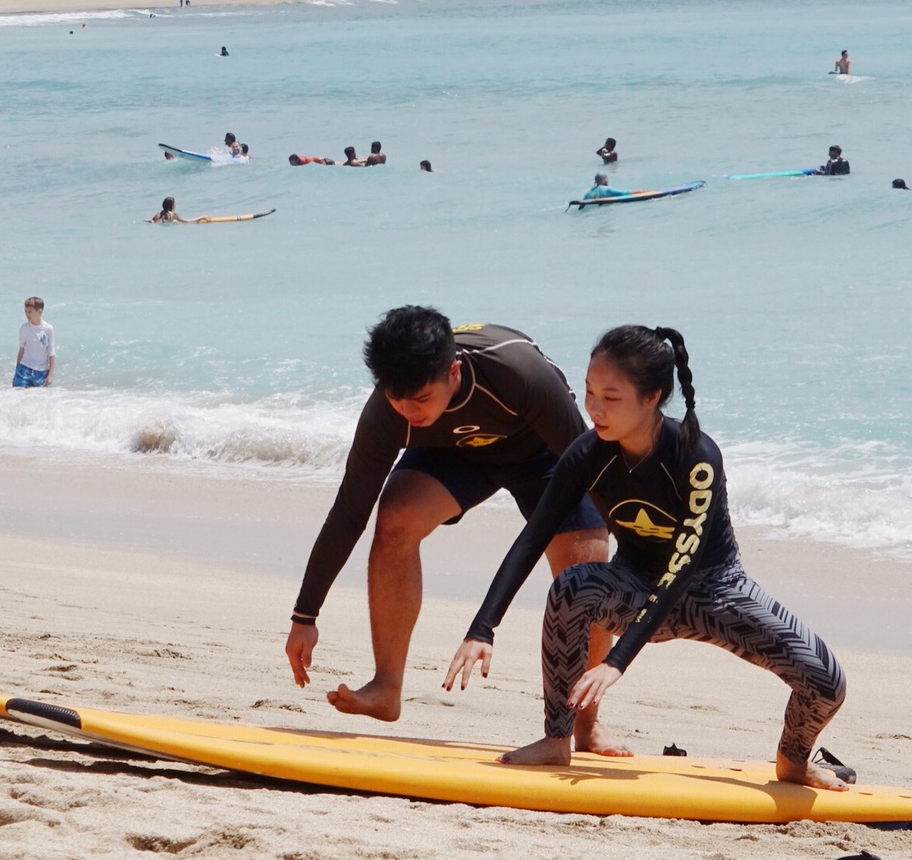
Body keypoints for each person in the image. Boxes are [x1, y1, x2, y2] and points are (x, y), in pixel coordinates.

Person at [444, 326, 848, 786]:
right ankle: (557, 740)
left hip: (716, 593)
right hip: (634, 588)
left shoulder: (697, 456)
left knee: (826, 682)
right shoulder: (588, 453)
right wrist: (483, 626)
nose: (593, 408)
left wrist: (617, 660)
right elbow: (534, 536)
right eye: (590, 392)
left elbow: (683, 567)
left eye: (610, 398)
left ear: (652, 396)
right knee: (573, 586)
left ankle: (793, 760)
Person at [286, 308, 619, 749]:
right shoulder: (394, 410)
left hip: (538, 448)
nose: (408, 411)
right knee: (395, 519)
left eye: (421, 399)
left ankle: (585, 721)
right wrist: (305, 615)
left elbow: (594, 475)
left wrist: (643, 555)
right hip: (452, 451)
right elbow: (350, 511)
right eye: (397, 400)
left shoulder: (521, 375)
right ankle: (386, 688)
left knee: (589, 561)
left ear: (453, 371)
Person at [13, 297, 54, 388]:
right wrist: (17, 370)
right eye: (26, 311)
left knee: (39, 399)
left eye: (30, 312)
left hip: (42, 372)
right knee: (18, 395)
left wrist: (50, 375)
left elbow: (51, 353)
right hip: (24, 369)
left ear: (39, 311)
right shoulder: (24, 328)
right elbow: (21, 350)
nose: (27, 314)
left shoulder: (48, 329)